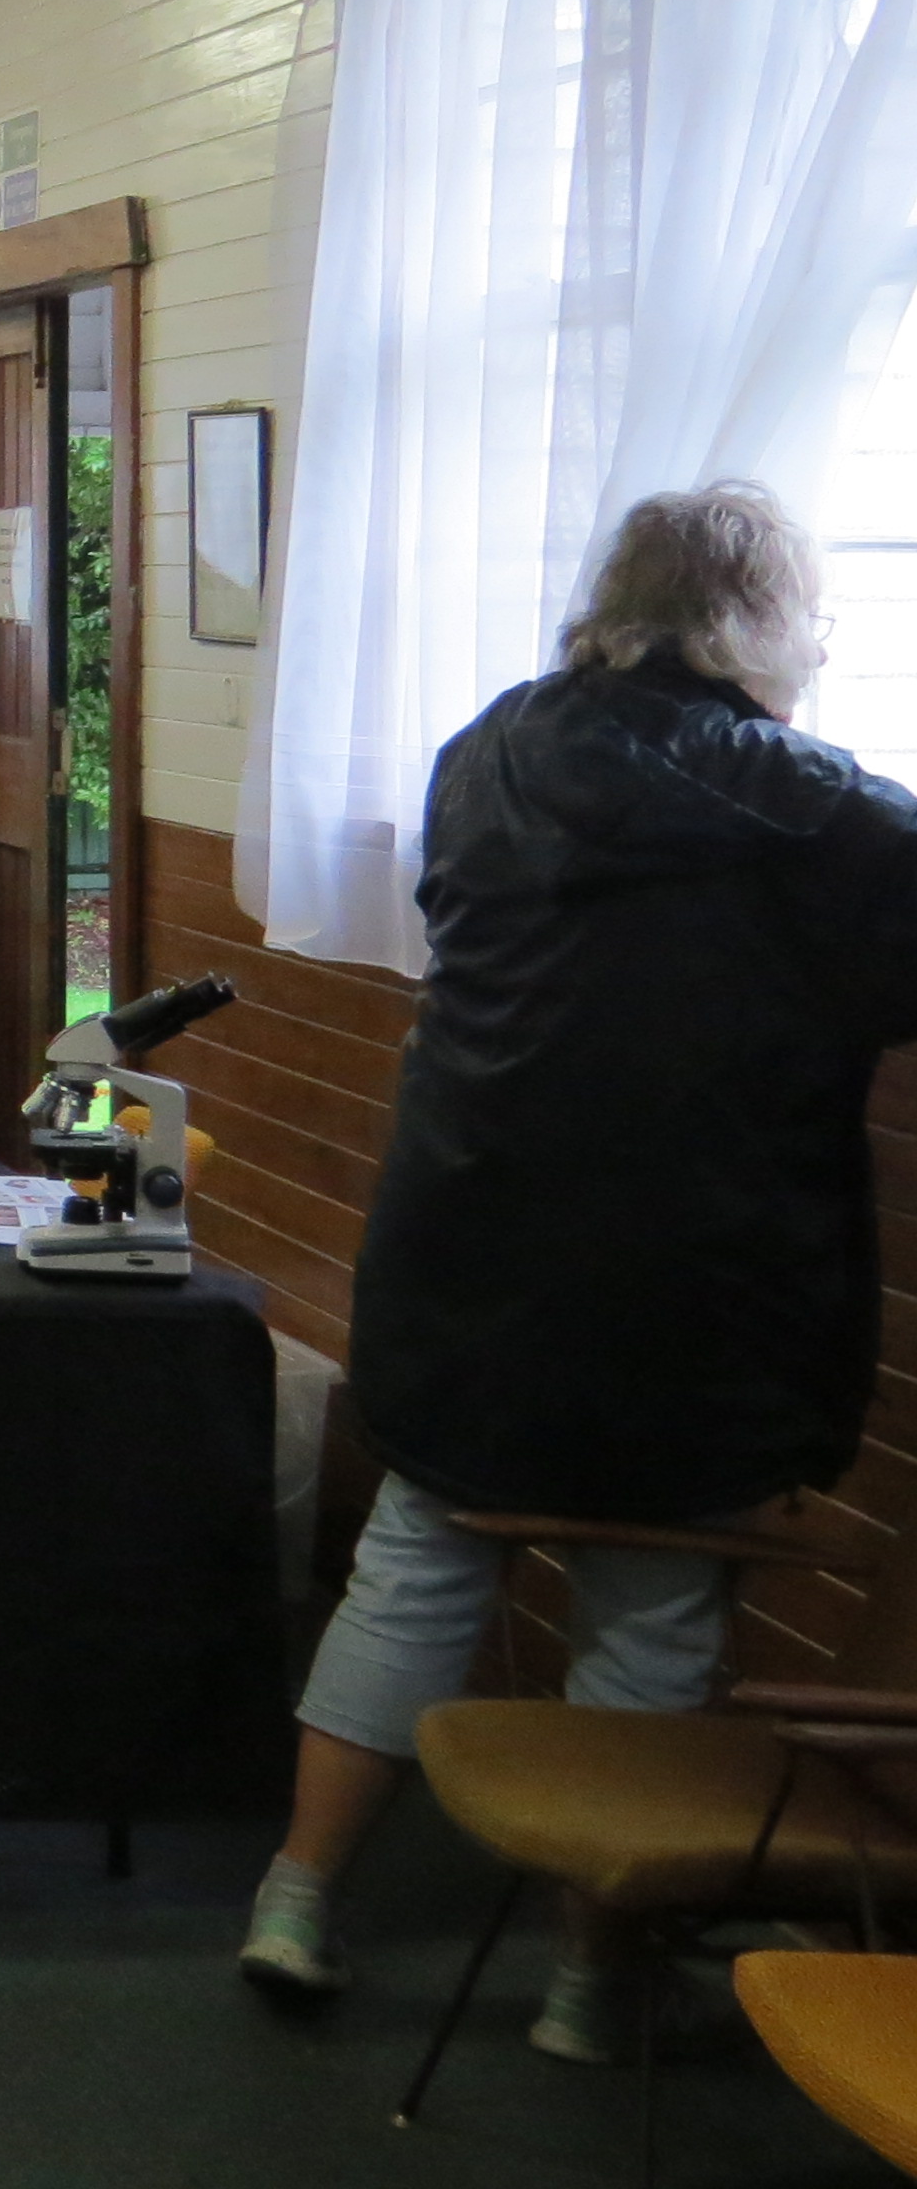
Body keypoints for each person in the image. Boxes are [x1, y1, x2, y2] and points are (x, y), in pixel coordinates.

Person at [236, 483, 917, 2061]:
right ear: (757, 623)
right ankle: (590, 1974)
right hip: (704, 1281)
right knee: (660, 1599)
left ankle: (295, 1891)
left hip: (461, 1237)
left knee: (416, 1559)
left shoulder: (489, 749)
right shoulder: (816, 804)